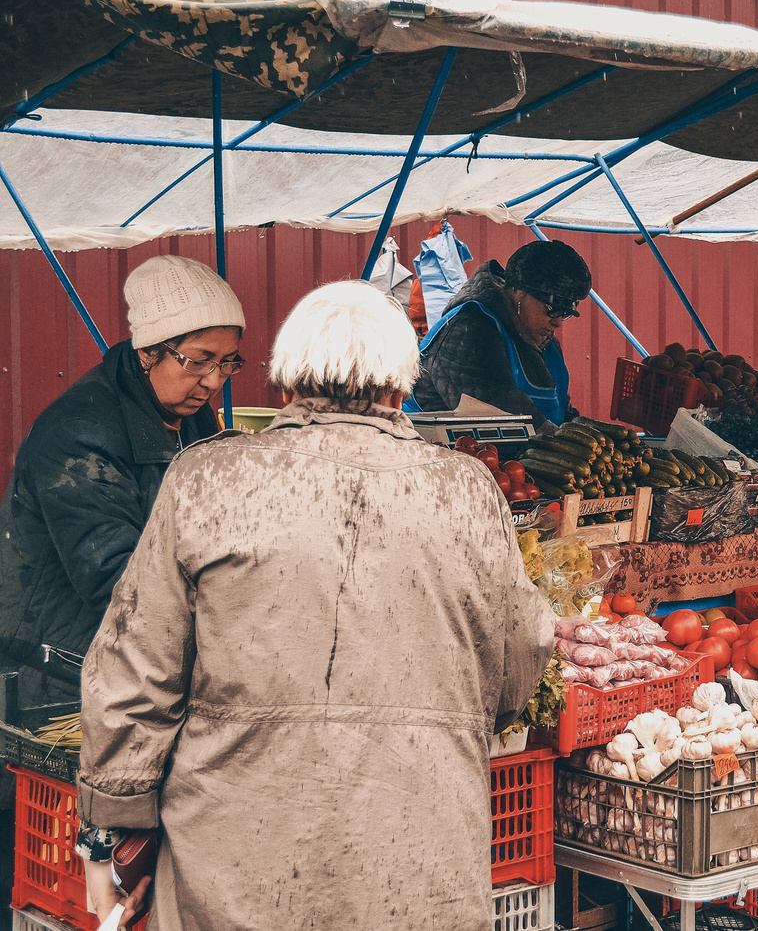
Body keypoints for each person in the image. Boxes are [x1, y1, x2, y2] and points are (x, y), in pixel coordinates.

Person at [74, 281, 555, 931]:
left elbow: (133, 672)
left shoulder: (206, 478)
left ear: (287, 379)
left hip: (235, 870)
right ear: (397, 381)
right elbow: (520, 658)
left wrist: (107, 837)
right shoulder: (465, 491)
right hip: (417, 862)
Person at [0, 255, 244, 706]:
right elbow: (118, 582)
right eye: (199, 361)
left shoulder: (189, 416)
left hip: (135, 660)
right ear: (149, 351)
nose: (213, 381)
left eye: (227, 362)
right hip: (56, 671)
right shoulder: (79, 436)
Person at [411, 239, 591, 427]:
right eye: (552, 309)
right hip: (434, 448)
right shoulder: (468, 331)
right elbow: (502, 416)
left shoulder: (542, 337)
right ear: (521, 292)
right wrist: (561, 441)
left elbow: (561, 408)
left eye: (565, 313)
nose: (558, 322)